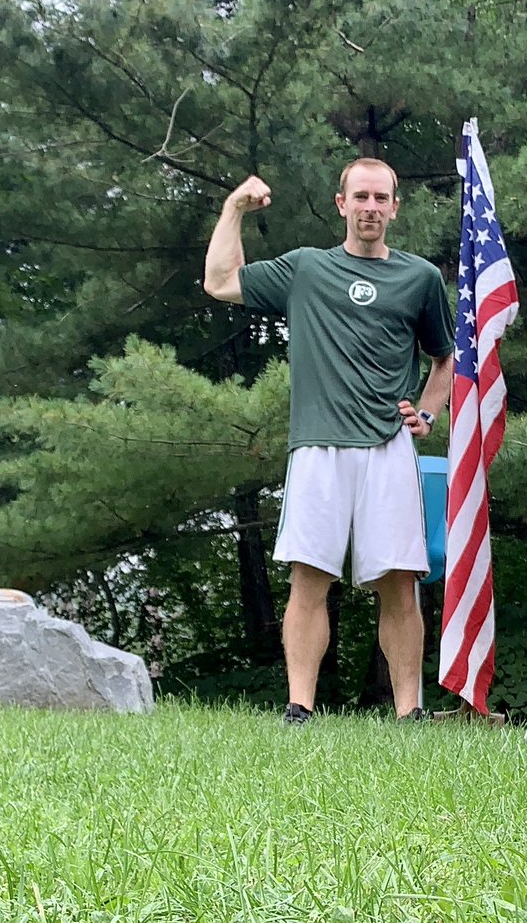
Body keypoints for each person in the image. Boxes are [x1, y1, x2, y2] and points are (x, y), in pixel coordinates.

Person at [203, 158, 455, 723]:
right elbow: (220, 282)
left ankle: (409, 712)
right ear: (341, 204)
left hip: (388, 446)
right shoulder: (307, 269)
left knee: (399, 582)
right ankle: (299, 706)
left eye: (380, 198)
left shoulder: (420, 278)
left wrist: (429, 416)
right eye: (359, 196)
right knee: (309, 576)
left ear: (395, 206)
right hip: (317, 446)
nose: (370, 207)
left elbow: (445, 361)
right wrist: (233, 209)